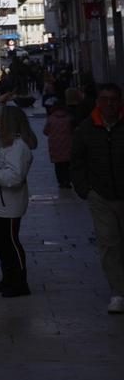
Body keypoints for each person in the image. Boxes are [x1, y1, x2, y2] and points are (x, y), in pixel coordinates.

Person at [69, 83, 124, 314]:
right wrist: (86, 190)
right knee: (109, 242)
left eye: (113, 99)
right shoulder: (86, 128)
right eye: (104, 100)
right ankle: (118, 292)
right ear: (97, 102)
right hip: (100, 195)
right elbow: (77, 161)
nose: (109, 104)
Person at [0, 105, 35, 298]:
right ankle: (8, 278)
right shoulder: (1, 140)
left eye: (0, 119)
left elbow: (14, 177)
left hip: (9, 204)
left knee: (11, 242)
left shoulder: (18, 147)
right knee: (0, 242)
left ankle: (20, 281)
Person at [43, 90, 78, 190]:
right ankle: (67, 180)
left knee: (58, 165)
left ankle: (61, 181)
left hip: (55, 145)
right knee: (67, 164)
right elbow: (73, 130)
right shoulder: (69, 117)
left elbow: (45, 131)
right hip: (68, 143)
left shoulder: (51, 118)